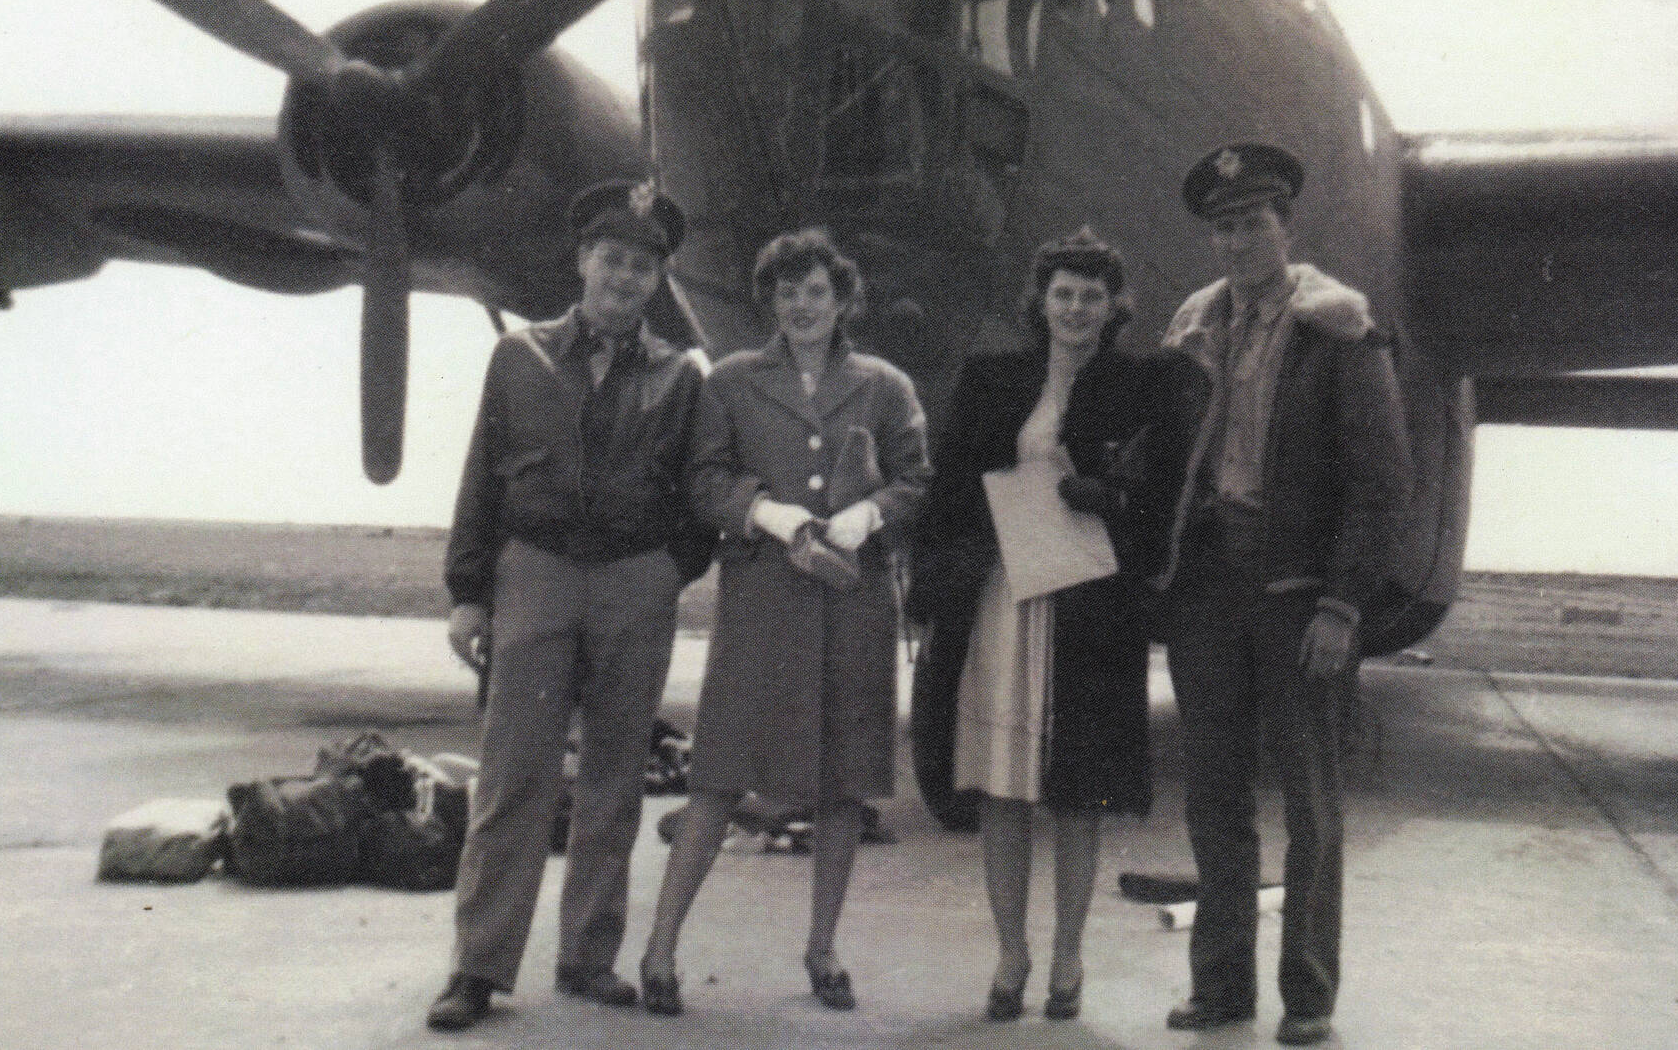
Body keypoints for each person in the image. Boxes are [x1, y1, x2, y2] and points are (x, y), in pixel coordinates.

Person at [426, 179, 716, 1032]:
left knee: (616, 779)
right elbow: (480, 477)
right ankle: (478, 965)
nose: (624, 276)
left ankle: (588, 955)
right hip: (536, 573)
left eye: (642, 263)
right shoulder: (519, 357)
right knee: (514, 775)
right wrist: (467, 594)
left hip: (634, 580)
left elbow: (699, 493)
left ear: (659, 277)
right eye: (612, 257)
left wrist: (671, 569)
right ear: (583, 260)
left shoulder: (681, 377)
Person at [636, 227, 930, 1015]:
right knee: (719, 775)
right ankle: (660, 948)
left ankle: (822, 948)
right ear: (771, 301)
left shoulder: (886, 385)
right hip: (764, 599)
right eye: (788, 292)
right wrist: (762, 510)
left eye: (817, 292)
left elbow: (915, 481)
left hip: (854, 604)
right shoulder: (730, 382)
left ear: (843, 301)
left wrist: (871, 514)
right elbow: (703, 478)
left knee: (841, 787)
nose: (803, 306)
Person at [1156, 144, 1412, 1047]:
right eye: (1223, 226)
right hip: (1206, 595)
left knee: (1311, 801)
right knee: (1214, 798)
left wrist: (1344, 605)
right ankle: (1221, 987)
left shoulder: (1338, 330)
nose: (1237, 241)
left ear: (1284, 228)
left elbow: (1381, 482)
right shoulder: (1191, 331)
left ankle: (1307, 995)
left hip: (1296, 593)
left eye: (1253, 223)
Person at [914, 228, 1203, 1023]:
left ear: (1114, 308)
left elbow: (1163, 498)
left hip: (1089, 606)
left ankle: (1070, 958)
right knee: (1003, 791)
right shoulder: (990, 377)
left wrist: (1104, 496)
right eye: (1063, 293)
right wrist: (941, 580)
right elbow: (949, 486)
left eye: (1091, 295)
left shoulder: (1141, 384)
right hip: (1003, 597)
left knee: (1080, 794)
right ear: (1040, 302)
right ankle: (1012, 955)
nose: (1076, 308)